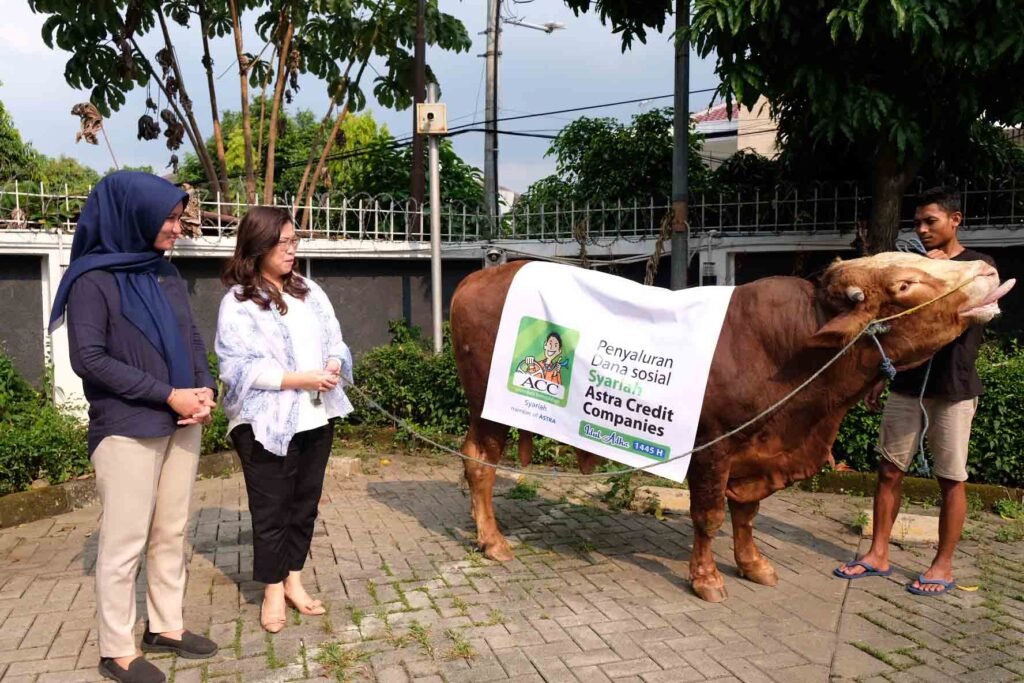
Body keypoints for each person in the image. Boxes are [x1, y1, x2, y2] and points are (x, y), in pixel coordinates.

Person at [50, 172, 219, 683]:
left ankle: (165, 626)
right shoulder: (90, 280)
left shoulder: (161, 272)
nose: (176, 227)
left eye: (177, 217)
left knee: (171, 530)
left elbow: (190, 337)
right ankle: (116, 648)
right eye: (168, 218)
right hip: (126, 427)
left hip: (183, 421)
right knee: (124, 542)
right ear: (134, 215)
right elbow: (91, 360)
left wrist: (205, 390)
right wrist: (168, 393)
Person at [834, 186, 995, 596]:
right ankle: (877, 554)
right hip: (906, 386)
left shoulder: (979, 268)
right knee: (888, 471)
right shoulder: (909, 269)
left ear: (955, 220)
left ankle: (942, 565)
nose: (922, 230)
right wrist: (876, 378)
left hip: (953, 388)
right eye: (918, 223)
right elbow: (886, 331)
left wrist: (941, 276)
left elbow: (978, 317)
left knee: (950, 478)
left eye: (931, 221)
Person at [215, 207, 353, 633]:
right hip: (265, 426)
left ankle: (294, 578)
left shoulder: (309, 290)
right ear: (258, 246)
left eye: (295, 242)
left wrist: (331, 364)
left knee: (304, 504)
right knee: (271, 508)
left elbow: (336, 339)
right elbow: (236, 369)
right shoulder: (238, 302)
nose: (293, 250)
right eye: (284, 243)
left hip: (316, 417)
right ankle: (272, 588)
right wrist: (300, 378)